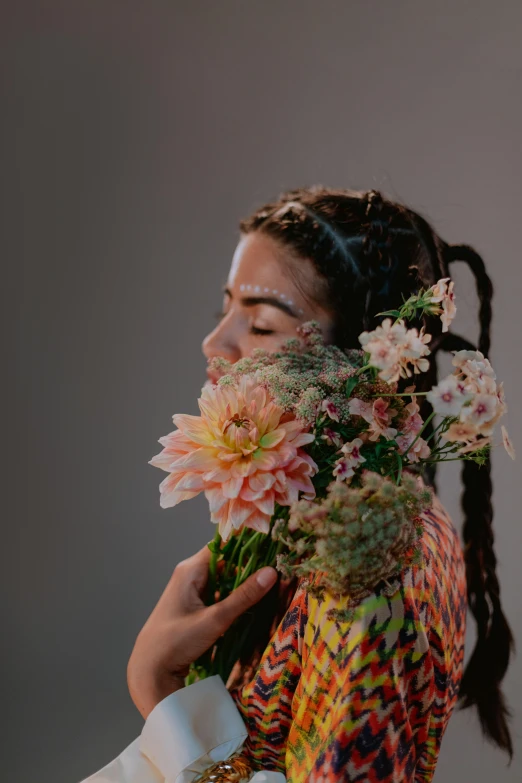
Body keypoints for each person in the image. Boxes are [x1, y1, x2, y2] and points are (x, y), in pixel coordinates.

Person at [80, 187, 514, 783]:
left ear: (363, 357)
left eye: (259, 323)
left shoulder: (369, 570)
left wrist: (161, 697)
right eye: (224, 310)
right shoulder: (317, 517)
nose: (216, 343)